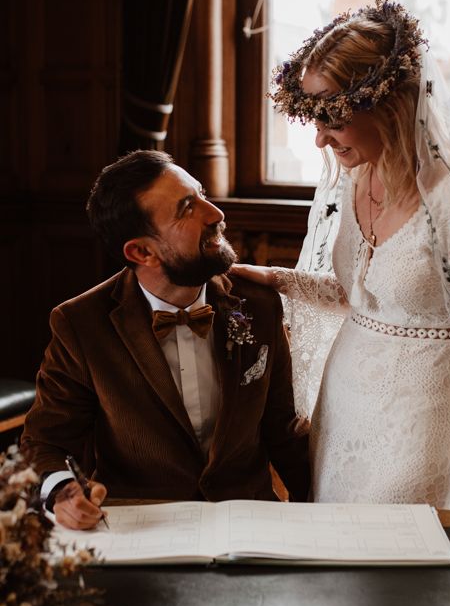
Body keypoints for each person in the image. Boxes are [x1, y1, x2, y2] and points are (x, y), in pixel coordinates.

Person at [234, 0, 450, 527]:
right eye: (314, 117)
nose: (320, 137)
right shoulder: (355, 176)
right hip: (347, 405)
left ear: (389, 103)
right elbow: (358, 295)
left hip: (422, 414)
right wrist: (277, 280)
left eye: (332, 116)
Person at [22, 150, 309, 530]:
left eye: (202, 194)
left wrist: (320, 515)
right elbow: (46, 443)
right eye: (187, 208)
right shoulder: (80, 324)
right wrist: (64, 493)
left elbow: (283, 429)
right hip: (140, 526)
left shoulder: (259, 303)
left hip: (249, 521)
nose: (216, 213)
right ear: (142, 251)